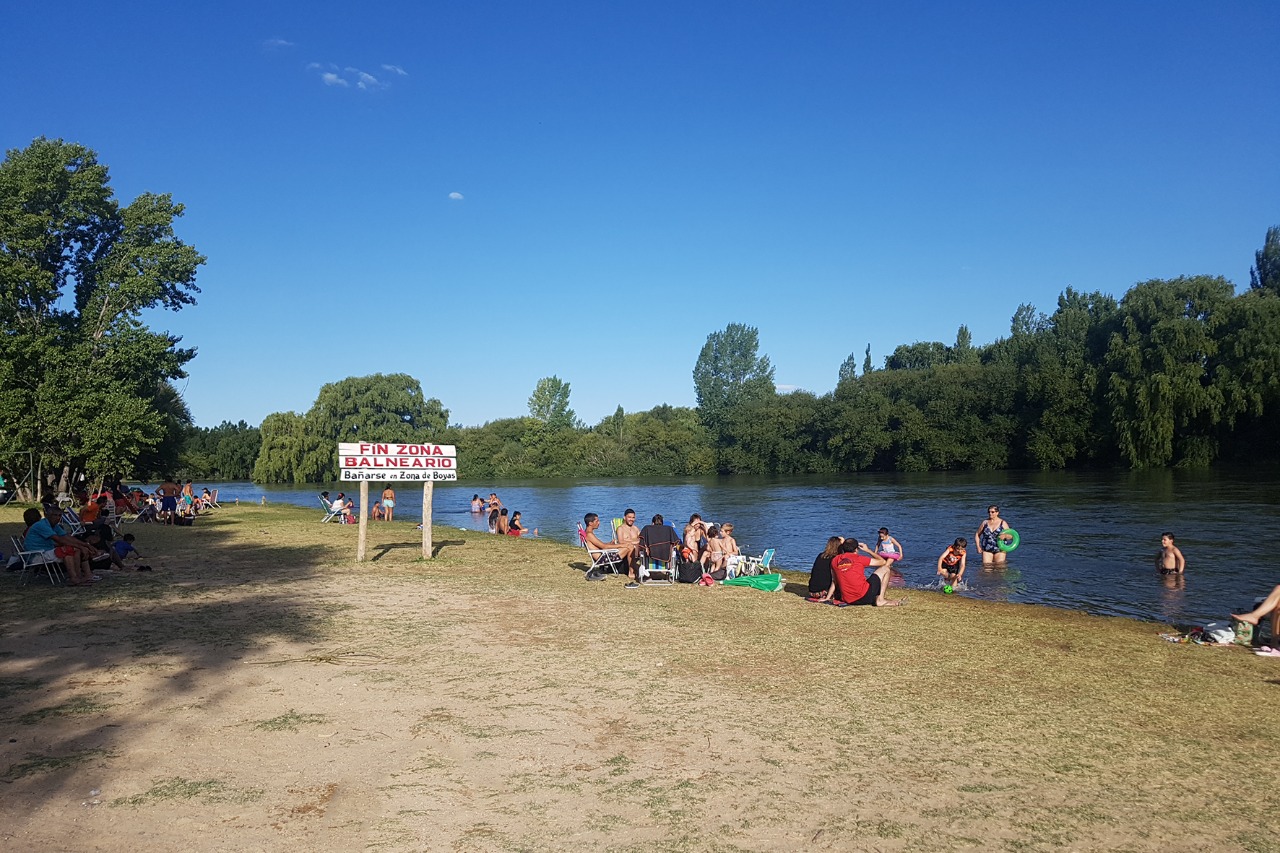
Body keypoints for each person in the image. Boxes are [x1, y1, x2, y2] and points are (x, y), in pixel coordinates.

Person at [24, 504, 100, 585]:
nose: (57, 518)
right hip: (35, 554)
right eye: (55, 515)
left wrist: (85, 545)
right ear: (47, 515)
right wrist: (82, 546)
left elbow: (67, 537)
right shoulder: (41, 525)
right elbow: (60, 540)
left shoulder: (53, 525)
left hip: (45, 551)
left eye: (60, 516)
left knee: (76, 549)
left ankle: (78, 576)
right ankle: (73, 578)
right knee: (68, 550)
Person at [820, 540, 901, 607]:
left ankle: (879, 599)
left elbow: (834, 581)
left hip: (847, 599)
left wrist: (828, 597)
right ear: (856, 550)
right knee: (886, 569)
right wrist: (868, 550)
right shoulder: (858, 558)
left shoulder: (835, 560)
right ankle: (880, 600)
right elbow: (883, 562)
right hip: (864, 596)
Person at [636, 514, 681, 590]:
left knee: (644, 551)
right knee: (670, 550)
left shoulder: (647, 529)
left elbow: (641, 544)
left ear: (652, 523)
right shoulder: (669, 529)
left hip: (650, 556)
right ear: (662, 524)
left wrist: (646, 547)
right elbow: (674, 544)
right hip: (665, 556)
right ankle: (668, 571)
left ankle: (647, 573)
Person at [582, 513, 628, 578]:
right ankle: (631, 571)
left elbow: (600, 546)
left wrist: (610, 543)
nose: (599, 523)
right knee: (628, 547)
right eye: (597, 521)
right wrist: (621, 545)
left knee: (626, 546)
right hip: (603, 559)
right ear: (590, 523)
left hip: (602, 556)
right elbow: (604, 547)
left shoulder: (588, 533)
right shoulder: (589, 535)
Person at [614, 509, 641, 575]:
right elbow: (621, 541)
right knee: (632, 547)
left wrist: (628, 541)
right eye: (629, 517)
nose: (631, 519)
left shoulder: (636, 528)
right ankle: (632, 571)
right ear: (624, 518)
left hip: (637, 553)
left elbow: (641, 540)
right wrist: (634, 542)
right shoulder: (620, 529)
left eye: (633, 517)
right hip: (626, 554)